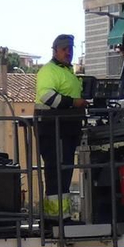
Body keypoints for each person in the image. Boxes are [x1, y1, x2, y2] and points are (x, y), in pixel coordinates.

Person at [35, 33, 87, 208]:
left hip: (66, 130)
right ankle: (56, 217)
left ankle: (60, 215)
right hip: (53, 130)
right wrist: (74, 102)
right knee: (56, 172)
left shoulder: (67, 71)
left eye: (71, 49)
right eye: (65, 49)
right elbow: (46, 96)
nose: (69, 52)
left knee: (64, 172)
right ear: (55, 51)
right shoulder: (49, 71)